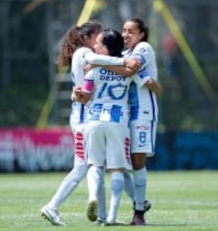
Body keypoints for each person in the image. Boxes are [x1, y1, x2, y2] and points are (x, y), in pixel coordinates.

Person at [40, 21, 139, 226]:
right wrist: (123, 61)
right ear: (86, 38)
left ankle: (103, 215)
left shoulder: (91, 60)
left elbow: (92, 77)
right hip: (85, 118)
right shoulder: (85, 52)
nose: (98, 41)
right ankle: (52, 206)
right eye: (97, 35)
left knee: (97, 166)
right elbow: (96, 61)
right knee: (84, 167)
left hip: (89, 115)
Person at [73, 28, 143, 225]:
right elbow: (133, 71)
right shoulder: (126, 70)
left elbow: (85, 97)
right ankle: (112, 216)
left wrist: (77, 95)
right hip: (118, 121)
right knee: (118, 170)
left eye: (98, 44)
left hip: (94, 120)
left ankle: (93, 196)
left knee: (95, 165)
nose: (94, 46)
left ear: (106, 48)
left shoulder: (92, 70)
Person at [121, 18, 162, 225]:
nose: (125, 34)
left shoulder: (144, 48)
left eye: (131, 31)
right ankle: (141, 201)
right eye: (124, 30)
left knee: (137, 161)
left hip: (143, 113)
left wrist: (105, 61)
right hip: (125, 115)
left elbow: (130, 69)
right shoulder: (124, 55)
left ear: (141, 35)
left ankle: (138, 213)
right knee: (117, 164)